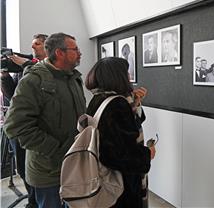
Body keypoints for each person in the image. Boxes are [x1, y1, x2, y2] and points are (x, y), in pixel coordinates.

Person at [3, 32, 86, 208]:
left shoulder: (74, 78)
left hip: (73, 167)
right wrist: (56, 149)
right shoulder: (34, 80)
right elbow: (14, 126)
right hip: (48, 173)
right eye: (75, 49)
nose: (80, 53)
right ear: (59, 53)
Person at [85, 57, 156, 208]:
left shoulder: (98, 98)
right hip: (120, 185)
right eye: (126, 72)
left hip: (100, 175)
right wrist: (146, 154)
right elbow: (118, 154)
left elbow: (120, 133)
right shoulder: (117, 104)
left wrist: (135, 104)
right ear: (118, 76)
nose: (129, 76)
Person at [1, 33, 48, 208]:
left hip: (37, 127)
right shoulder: (22, 69)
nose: (33, 47)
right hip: (20, 128)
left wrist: (26, 64)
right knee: (22, 167)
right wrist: (5, 76)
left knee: (37, 168)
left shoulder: (48, 68)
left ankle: (39, 200)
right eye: (32, 44)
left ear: (47, 46)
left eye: (37, 44)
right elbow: (12, 95)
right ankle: (33, 199)